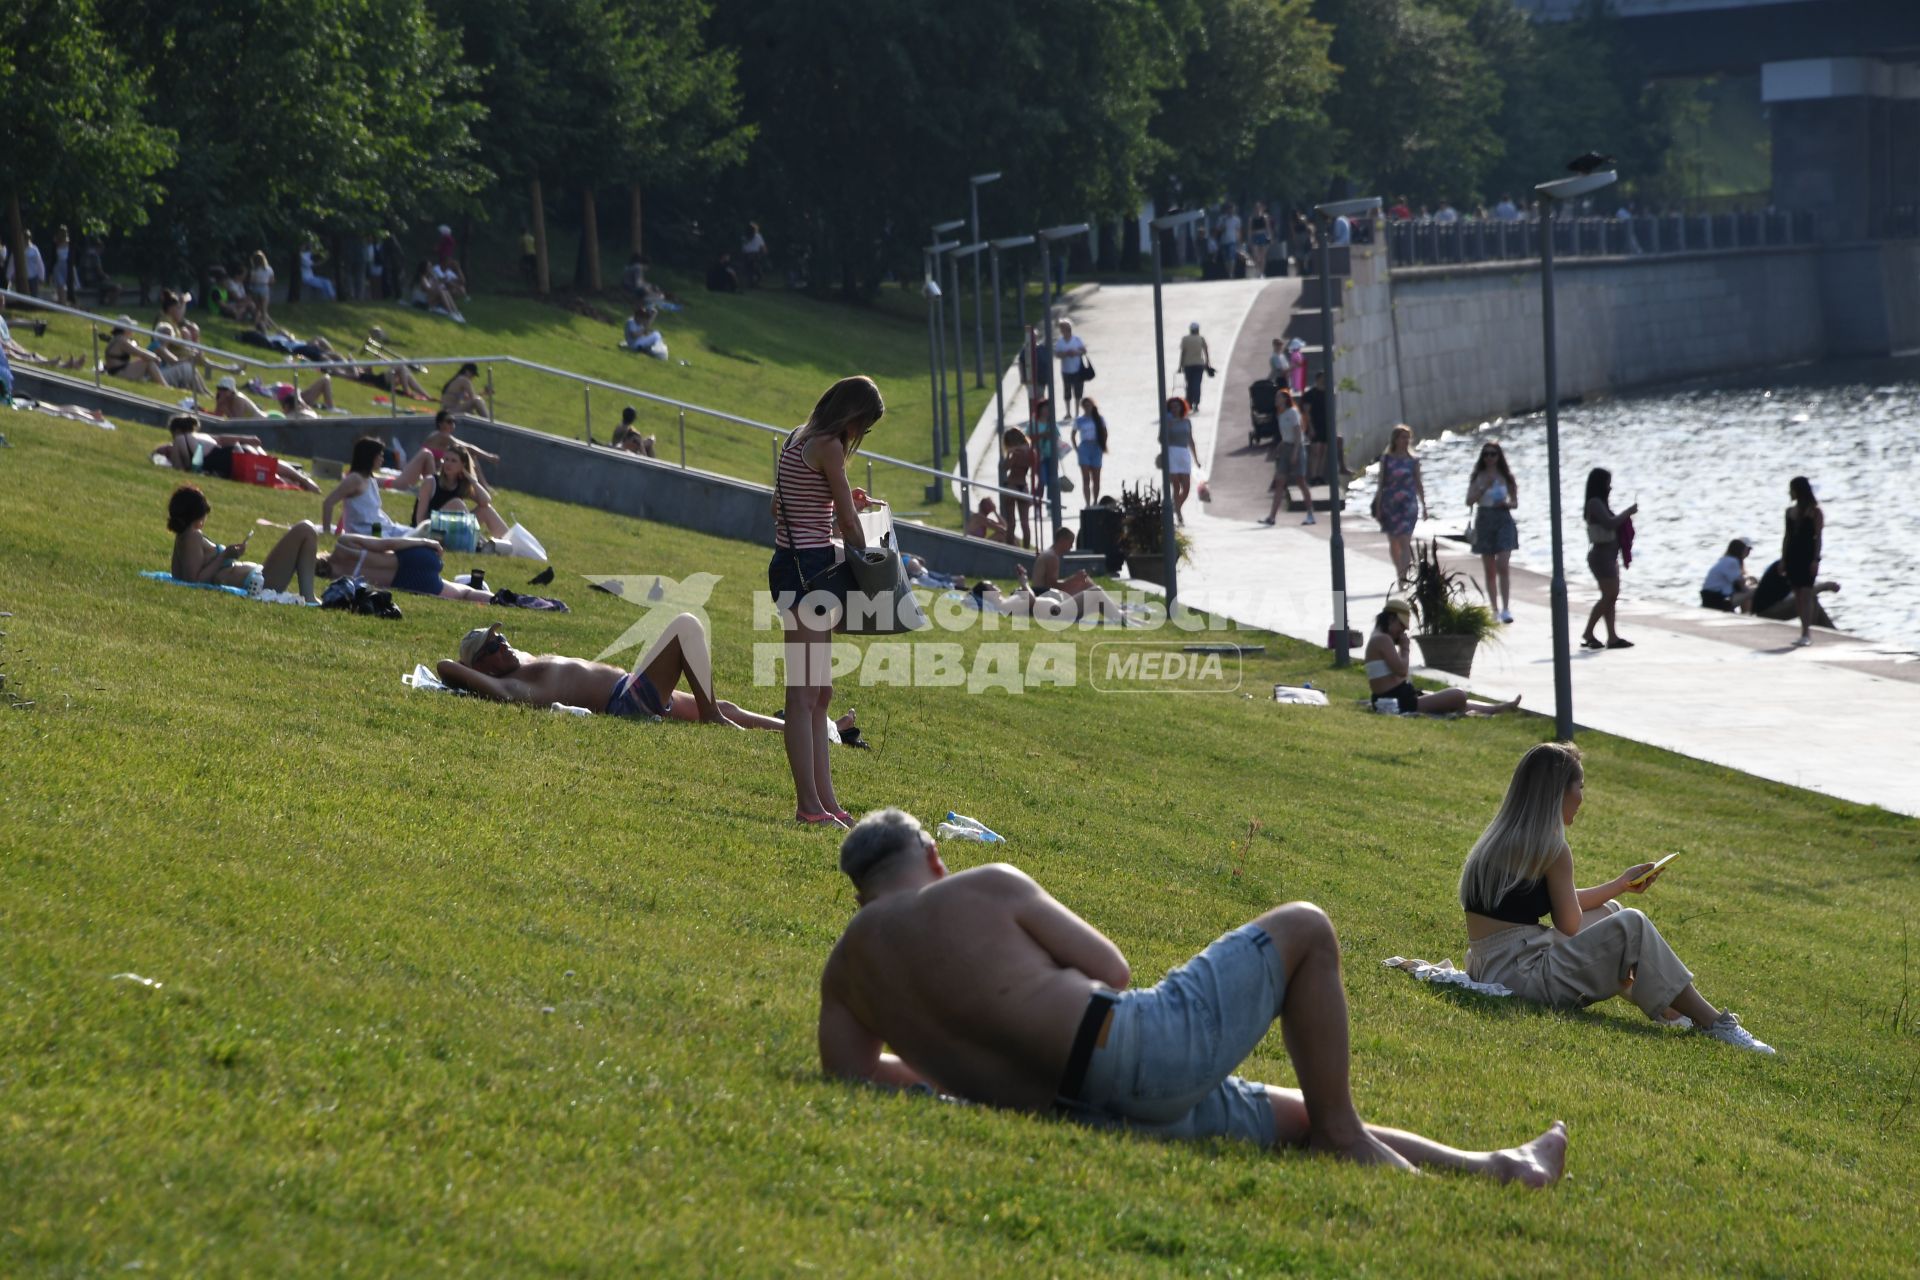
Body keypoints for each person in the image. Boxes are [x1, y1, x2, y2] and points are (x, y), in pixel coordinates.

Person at [819, 808, 1570, 1184]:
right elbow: (1110, 969)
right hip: (1127, 1053)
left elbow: (853, 1076)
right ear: (934, 855)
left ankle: (1495, 1168)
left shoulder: (846, 969)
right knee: (1306, 927)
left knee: (1298, 1115)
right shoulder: (985, 884)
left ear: (863, 893)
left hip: (1066, 1109)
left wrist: (961, 1057)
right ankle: (1349, 1137)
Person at [1461, 743, 1775, 1053]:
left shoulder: (1500, 836)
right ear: (1558, 792)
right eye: (1580, 787)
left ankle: (1671, 1010)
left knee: (1612, 912)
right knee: (1631, 925)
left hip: (1489, 966)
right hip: (1522, 978)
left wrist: (1620, 885)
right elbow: (1569, 923)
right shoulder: (1552, 849)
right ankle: (1714, 1023)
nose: (1582, 798)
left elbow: (1559, 903)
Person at [768, 375, 885, 828]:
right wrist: (877, 563)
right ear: (852, 415)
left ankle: (826, 801)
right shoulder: (828, 445)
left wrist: (837, 500)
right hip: (809, 573)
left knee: (820, 694)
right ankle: (808, 806)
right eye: (864, 426)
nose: (859, 436)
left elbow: (779, 507)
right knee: (802, 696)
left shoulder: (799, 437)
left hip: (797, 566)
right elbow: (850, 528)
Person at [435, 615, 860, 736]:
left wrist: (492, 653)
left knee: (727, 706)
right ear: (481, 667)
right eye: (492, 647)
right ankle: (712, 717)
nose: (503, 644)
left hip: (635, 692)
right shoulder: (508, 686)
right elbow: (445, 668)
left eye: (501, 637)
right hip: (627, 701)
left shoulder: (517, 662)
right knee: (685, 626)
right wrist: (471, 673)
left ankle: (821, 732)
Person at [166, 484, 320, 603]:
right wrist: (225, 555)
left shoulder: (184, 538)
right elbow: (194, 581)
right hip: (257, 583)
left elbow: (186, 576)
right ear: (199, 515)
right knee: (305, 529)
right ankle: (308, 596)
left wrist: (228, 555)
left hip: (257, 579)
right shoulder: (192, 536)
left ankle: (309, 593)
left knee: (305, 531)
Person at [1365, 600, 1520, 716]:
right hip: (1400, 702)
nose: (1401, 633)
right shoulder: (1382, 639)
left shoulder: (1378, 638)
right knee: (1458, 695)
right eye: (1401, 627)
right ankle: (1498, 709)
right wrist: (1405, 648)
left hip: (1400, 698)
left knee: (1454, 699)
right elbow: (1401, 670)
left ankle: (1497, 708)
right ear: (1391, 619)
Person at [150, 414, 321, 492]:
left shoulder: (181, 440)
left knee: (266, 470)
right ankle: (300, 481)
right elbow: (223, 439)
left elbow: (180, 470)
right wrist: (248, 439)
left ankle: (303, 481)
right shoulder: (200, 436)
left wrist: (167, 457)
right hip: (232, 454)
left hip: (230, 460)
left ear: (176, 431)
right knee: (268, 467)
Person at [316, 533, 497, 603]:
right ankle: (506, 599)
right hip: (412, 559)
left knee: (463, 594)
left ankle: (502, 601)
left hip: (408, 582)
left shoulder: (338, 581)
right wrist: (425, 542)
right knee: (467, 591)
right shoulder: (344, 544)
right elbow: (387, 544)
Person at [1580, 468, 1637, 650]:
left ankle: (1612, 637)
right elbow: (1610, 523)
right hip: (1601, 556)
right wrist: (1627, 512)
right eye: (1607, 483)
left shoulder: (1600, 502)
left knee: (1612, 597)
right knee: (1608, 596)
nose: (1610, 487)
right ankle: (1588, 632)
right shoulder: (1594, 503)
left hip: (1610, 556)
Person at [1467, 440, 1518, 622]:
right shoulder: (1478, 477)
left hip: (1503, 518)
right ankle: (1494, 609)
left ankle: (1506, 608)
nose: (1489, 457)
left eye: (1493, 454)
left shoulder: (1506, 476)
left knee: (1503, 565)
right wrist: (1483, 488)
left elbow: (1515, 502)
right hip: (1484, 519)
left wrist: (1507, 504)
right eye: (1486, 454)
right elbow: (1469, 501)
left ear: (1499, 456)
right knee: (1490, 569)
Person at [413, 442, 508, 537]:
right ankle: (479, 541)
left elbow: (485, 502)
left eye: (453, 461)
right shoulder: (431, 481)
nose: (448, 464)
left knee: (486, 510)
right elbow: (420, 521)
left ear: (463, 465)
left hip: (452, 527)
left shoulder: (461, 484)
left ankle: (511, 543)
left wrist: (473, 480)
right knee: (457, 503)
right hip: (427, 529)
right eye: (446, 459)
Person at [392, 409, 501, 492]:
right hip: (430, 474)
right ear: (440, 424)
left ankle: (481, 486)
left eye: (453, 422)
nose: (452, 424)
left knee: (467, 457)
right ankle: (484, 487)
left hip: (432, 472)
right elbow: (468, 447)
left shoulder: (439, 436)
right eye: (449, 421)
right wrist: (489, 457)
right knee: (469, 456)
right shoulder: (443, 436)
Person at [1374, 426, 1428, 582]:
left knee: (1405, 540)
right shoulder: (1386, 459)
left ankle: (1403, 578)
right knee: (1393, 541)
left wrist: (1424, 506)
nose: (1405, 441)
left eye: (1407, 438)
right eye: (1402, 437)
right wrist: (1378, 507)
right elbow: (1381, 484)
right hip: (1390, 504)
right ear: (1395, 439)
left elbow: (1419, 483)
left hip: (1408, 504)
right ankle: (1399, 570)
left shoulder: (1413, 460)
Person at [322, 437, 398, 535]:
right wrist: (327, 533)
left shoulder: (370, 479)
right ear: (370, 456)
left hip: (381, 528)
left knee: (415, 534)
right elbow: (328, 503)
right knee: (409, 541)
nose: (382, 460)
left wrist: (338, 530)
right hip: (367, 533)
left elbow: (350, 511)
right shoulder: (355, 479)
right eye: (380, 456)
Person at [1260, 388, 1313, 527]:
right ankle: (1272, 517)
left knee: (1300, 481)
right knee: (1280, 482)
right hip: (1286, 448)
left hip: (1297, 447)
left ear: (1285, 399)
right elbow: (1286, 435)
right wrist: (1280, 446)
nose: (1276, 400)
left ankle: (1310, 514)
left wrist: (1295, 452)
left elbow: (1297, 433)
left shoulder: (1292, 413)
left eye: (1278, 397)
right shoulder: (1281, 415)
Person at [1782, 476, 1824, 646]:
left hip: (1807, 557)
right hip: (1793, 556)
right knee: (1798, 595)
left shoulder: (1815, 512)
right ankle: (1802, 630)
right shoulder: (1789, 512)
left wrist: (1816, 559)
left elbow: (1818, 537)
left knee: (1806, 593)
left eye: (1791, 489)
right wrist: (1783, 559)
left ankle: (1806, 632)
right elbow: (1786, 537)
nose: (1789, 493)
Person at [100, 319, 171, 388]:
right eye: (131, 328)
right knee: (149, 362)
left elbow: (138, 351)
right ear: (125, 329)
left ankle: (159, 383)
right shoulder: (122, 341)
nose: (132, 330)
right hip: (119, 373)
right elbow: (140, 353)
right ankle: (165, 386)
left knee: (143, 360)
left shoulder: (117, 339)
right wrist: (155, 358)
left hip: (115, 371)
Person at [1160, 396, 1196, 525]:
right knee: (1175, 486)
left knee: (1186, 487)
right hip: (1172, 452)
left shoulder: (1186, 421)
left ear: (1182, 407)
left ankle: (1176, 507)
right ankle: (1179, 515)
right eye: (1172, 407)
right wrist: (1167, 427)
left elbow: (1191, 440)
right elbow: (1161, 439)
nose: (1175, 409)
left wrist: (1196, 459)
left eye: (1177, 406)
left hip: (1184, 453)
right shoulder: (1167, 422)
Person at [1000, 427, 1036, 548]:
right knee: (1025, 524)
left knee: (1011, 523)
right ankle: (1026, 551)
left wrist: (1008, 454)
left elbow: (1005, 468)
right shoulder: (1030, 451)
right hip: (1023, 486)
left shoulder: (1015, 452)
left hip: (1012, 485)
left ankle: (1011, 549)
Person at [1700, 538, 1756, 613]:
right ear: (1740, 550)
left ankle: (1745, 614)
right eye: (1747, 550)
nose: (1748, 553)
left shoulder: (1725, 560)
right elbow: (1742, 587)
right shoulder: (1732, 562)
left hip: (1709, 599)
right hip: (1718, 601)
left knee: (1747, 592)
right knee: (1754, 591)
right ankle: (1747, 616)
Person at [1070, 396, 1107, 506]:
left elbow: (1105, 432)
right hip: (1084, 447)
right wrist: (1077, 449)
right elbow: (1073, 435)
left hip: (1096, 446)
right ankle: (1087, 502)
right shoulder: (1079, 420)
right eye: (1085, 405)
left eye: (1089, 405)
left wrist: (1102, 445)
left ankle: (1095, 501)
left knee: (1096, 477)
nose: (1087, 407)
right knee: (1086, 478)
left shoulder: (1099, 419)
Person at [1054, 320, 1089, 417]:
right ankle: (1068, 412)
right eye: (1063, 329)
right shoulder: (1060, 342)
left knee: (1078, 392)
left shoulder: (1077, 339)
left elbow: (1084, 351)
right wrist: (1065, 354)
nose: (1066, 331)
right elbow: (1057, 354)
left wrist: (1076, 352)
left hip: (1078, 370)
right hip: (1066, 370)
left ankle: (1077, 412)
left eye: (1068, 328)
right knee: (1067, 392)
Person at [1176, 322, 1209, 411]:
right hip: (1199, 365)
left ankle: (1189, 403)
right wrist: (1207, 363)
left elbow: (1183, 353)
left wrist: (1180, 366)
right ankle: (1196, 404)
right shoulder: (1201, 339)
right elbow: (1206, 351)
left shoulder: (1185, 339)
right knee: (1197, 384)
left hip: (1188, 365)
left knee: (1189, 384)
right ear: (1198, 330)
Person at [246, 251, 276, 326]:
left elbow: (251, 281)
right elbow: (272, 280)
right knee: (264, 309)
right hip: (264, 287)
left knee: (258, 308)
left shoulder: (254, 270)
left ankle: (256, 323)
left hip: (255, 288)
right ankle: (264, 324)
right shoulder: (268, 269)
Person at [741, 223, 769, 287]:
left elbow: (743, 248)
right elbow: (763, 248)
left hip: (751, 255)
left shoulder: (746, 236)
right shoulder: (755, 236)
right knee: (754, 271)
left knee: (752, 271)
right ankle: (753, 283)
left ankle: (752, 283)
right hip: (752, 255)